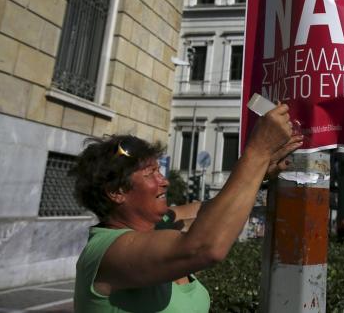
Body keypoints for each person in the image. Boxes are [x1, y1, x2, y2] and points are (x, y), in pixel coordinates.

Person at [71, 104, 302, 312]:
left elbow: (215, 210)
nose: (165, 181)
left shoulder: (158, 226)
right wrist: (257, 151)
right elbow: (204, 246)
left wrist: (260, 171)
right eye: (151, 173)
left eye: (159, 170)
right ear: (117, 192)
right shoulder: (107, 252)